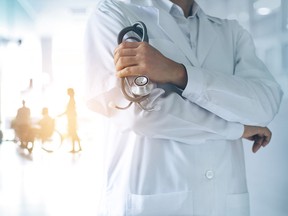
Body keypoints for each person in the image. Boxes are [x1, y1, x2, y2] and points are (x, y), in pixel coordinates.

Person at [84, 0, 283, 215]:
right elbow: (140, 114)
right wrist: (238, 129)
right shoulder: (113, 13)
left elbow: (265, 104)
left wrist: (179, 73)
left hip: (224, 203)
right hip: (151, 202)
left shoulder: (231, 32)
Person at [59, 88, 81, 153]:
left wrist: (60, 115)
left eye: (68, 91)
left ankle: (74, 148)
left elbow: (68, 111)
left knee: (73, 134)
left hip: (71, 120)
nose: (67, 92)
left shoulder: (71, 100)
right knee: (74, 134)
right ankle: (78, 147)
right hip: (72, 119)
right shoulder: (72, 100)